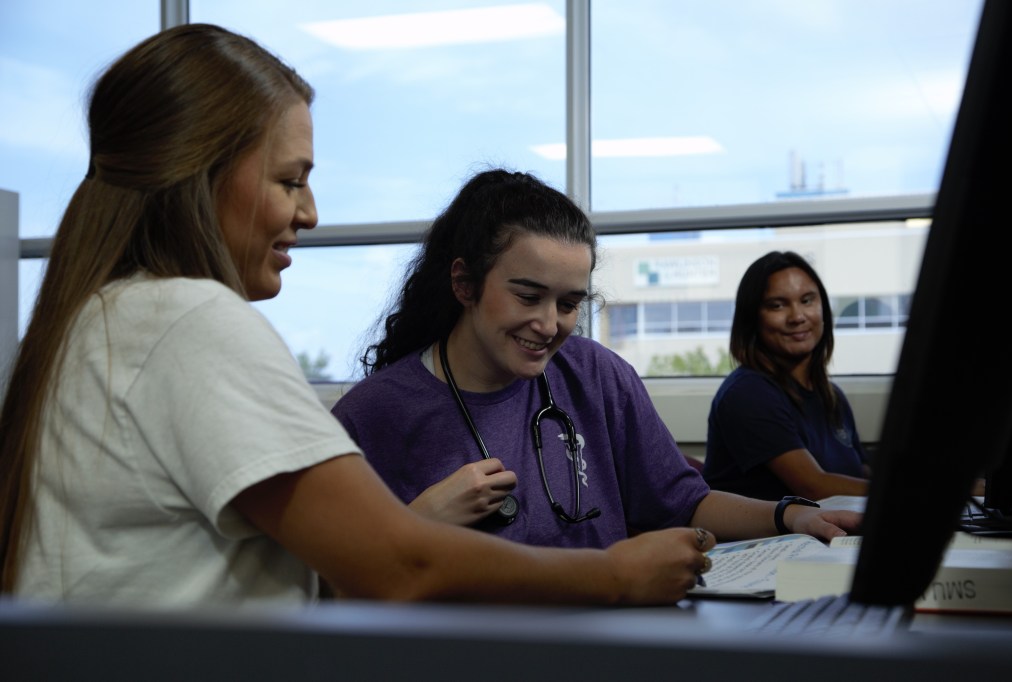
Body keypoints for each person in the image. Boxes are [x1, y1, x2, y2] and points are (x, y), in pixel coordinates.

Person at [1, 24, 718, 608]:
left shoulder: (101, 319)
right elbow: (395, 568)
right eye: (291, 181)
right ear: (202, 173)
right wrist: (616, 576)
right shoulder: (187, 320)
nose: (309, 214)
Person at [332, 170, 860, 552]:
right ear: (464, 284)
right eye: (527, 296)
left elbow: (681, 501)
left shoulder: (595, 376)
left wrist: (791, 516)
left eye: (568, 304)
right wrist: (418, 522)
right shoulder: (375, 414)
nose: (549, 325)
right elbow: (336, 582)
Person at [702, 251, 870, 501]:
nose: (797, 317)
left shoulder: (833, 396)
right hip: (770, 538)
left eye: (807, 300)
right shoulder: (747, 393)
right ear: (753, 318)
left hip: (831, 533)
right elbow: (814, 488)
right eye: (777, 305)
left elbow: (860, 472)